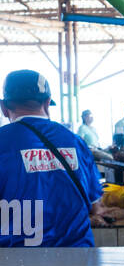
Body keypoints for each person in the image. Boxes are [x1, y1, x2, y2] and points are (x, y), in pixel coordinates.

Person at [0, 70, 106, 247]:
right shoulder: (76, 142)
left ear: (4, 108)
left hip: (17, 264)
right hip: (77, 262)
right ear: (48, 104)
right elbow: (96, 205)